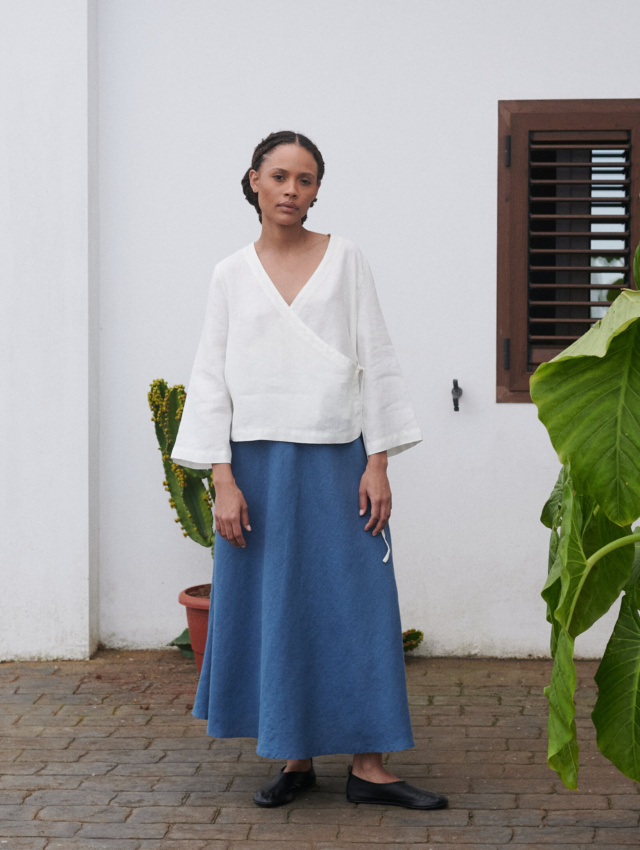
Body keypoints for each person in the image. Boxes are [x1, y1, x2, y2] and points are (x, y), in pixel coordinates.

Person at [171, 130, 447, 811]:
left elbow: (375, 357)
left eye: (307, 178)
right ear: (254, 182)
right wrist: (223, 479)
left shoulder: (346, 258)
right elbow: (211, 378)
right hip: (256, 468)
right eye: (281, 176)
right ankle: (294, 756)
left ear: (319, 189)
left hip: (338, 460)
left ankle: (370, 766)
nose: (294, 188)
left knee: (358, 604)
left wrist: (377, 463)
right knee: (277, 605)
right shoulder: (229, 273)